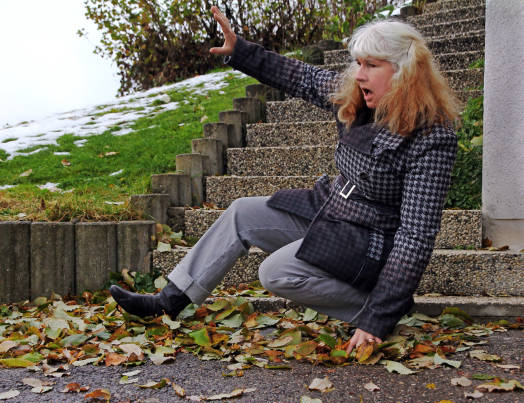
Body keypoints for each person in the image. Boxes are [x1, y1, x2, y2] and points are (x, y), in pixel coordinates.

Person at [110, 6, 460, 355]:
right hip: (331, 210)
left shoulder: (433, 135)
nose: (359, 74)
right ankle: (169, 301)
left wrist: (377, 317)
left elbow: (415, 236)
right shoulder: (356, 94)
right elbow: (304, 78)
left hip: (370, 242)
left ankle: (375, 310)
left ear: (404, 72)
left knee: (276, 272)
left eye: (371, 65)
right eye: (358, 63)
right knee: (242, 213)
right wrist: (241, 52)